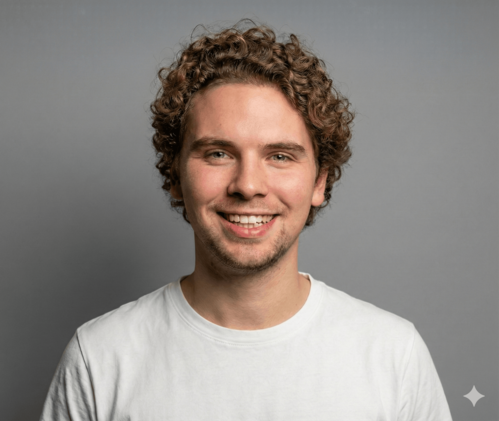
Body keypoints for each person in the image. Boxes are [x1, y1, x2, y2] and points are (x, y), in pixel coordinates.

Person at [40, 22, 453, 421]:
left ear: (319, 182)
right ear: (175, 176)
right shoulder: (99, 358)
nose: (248, 185)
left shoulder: (393, 356)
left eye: (280, 156)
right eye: (218, 154)